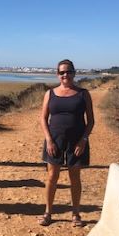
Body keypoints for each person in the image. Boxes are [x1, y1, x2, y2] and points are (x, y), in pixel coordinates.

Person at [39, 59, 95, 227]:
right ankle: (48, 212)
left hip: (77, 141)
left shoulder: (83, 94)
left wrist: (83, 140)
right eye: (62, 72)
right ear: (57, 74)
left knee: (75, 178)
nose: (65, 75)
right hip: (54, 140)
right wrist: (49, 140)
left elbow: (91, 121)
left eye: (69, 71)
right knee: (51, 177)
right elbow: (43, 119)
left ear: (74, 73)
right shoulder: (50, 93)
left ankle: (76, 214)